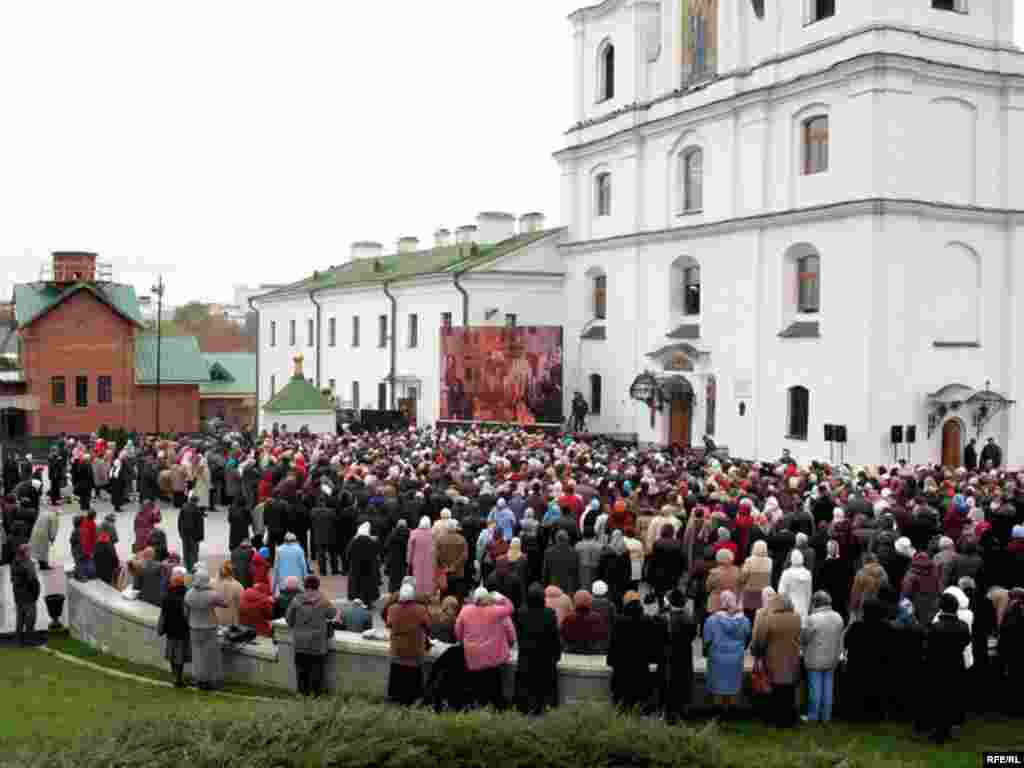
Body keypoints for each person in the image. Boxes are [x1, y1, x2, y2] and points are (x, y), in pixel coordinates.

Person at [920, 593, 972, 743]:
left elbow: (928, 647)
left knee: (938, 698)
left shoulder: (934, 627)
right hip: (956, 665)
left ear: (941, 607)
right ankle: (947, 729)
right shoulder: (963, 626)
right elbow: (966, 642)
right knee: (951, 698)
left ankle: (938, 730)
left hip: (937, 666)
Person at [456, 587, 516, 710]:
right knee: (493, 691)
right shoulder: (495, 611)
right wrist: (500, 596)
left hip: (472, 658)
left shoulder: (465, 610)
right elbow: (511, 607)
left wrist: (464, 641)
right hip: (491, 660)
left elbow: (458, 631)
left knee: (476, 691)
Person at [753, 593, 802, 728]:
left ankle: (774, 718)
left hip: (773, 659)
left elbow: (760, 639)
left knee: (775, 690)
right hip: (792, 659)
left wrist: (757, 652)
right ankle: (788, 719)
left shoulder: (770, 618)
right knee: (789, 690)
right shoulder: (797, 617)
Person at [286, 574, 338, 697]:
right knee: (317, 670)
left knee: (301, 670)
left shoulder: (296, 600)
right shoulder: (323, 601)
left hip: (300, 642)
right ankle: (316, 695)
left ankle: (302, 693)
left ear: (305, 586)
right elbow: (333, 615)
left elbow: (289, 619)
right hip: (317, 643)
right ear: (317, 586)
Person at [515, 582, 562, 714]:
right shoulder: (549, 613)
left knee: (527, 690)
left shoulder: (521, 613)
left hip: (526, 658)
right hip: (545, 659)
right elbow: (555, 637)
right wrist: (556, 655)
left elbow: (519, 636)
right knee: (545, 691)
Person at [843, 597, 892, 720]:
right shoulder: (886, 628)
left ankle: (855, 712)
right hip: (878, 667)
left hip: (858, 666)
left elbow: (846, 643)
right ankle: (875, 713)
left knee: (858, 689)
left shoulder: (856, 627)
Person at [702, 590, 751, 714]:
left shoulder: (711, 620)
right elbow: (747, 638)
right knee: (732, 686)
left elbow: (707, 641)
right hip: (735, 658)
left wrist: (706, 652)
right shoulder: (744, 620)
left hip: (716, 658)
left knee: (717, 686)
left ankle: (718, 713)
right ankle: (731, 712)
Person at [801, 591, 844, 723]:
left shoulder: (812, 619)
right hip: (833, 657)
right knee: (828, 687)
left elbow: (804, 639)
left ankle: (813, 716)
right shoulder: (838, 617)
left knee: (815, 688)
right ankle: (826, 716)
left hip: (815, 658)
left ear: (815, 603)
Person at [386, 582, 432, 706]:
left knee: (397, 678)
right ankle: (411, 701)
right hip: (415, 652)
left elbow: (389, 624)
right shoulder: (421, 610)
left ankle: (396, 700)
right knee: (413, 680)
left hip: (397, 652)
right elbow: (428, 625)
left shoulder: (392, 609)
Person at [183, 569, 227, 691]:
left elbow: (186, 612)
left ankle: (199, 679)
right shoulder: (212, 595)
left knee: (197, 655)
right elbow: (225, 604)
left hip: (194, 627)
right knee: (210, 655)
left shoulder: (189, 594)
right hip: (209, 627)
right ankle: (210, 680)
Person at [662, 588, 697, 723]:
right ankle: (683, 713)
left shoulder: (668, 619)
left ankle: (671, 715)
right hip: (685, 654)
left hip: (672, 656)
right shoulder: (689, 617)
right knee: (684, 683)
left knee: (672, 685)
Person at [157, 568, 191, 687]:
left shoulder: (167, 596)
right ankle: (179, 677)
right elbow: (187, 614)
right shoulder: (186, 595)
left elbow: (163, 615)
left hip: (170, 630)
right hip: (183, 630)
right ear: (182, 582)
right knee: (180, 656)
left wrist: (160, 628)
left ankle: (174, 675)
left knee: (172, 654)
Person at [560, 589, 610, 654]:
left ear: (575, 601)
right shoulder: (597, 618)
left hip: (572, 653)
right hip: (593, 653)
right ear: (590, 601)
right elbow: (603, 636)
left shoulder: (569, 618)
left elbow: (563, 637)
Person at [739, 539, 773, 625]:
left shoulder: (749, 560)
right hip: (763, 593)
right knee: (760, 617)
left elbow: (743, 577)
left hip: (750, 591)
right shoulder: (769, 561)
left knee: (749, 617)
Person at [12, 543, 41, 645]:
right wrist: (36, 594)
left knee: (20, 619)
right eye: (29, 551)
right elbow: (33, 581)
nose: (30, 552)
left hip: (18, 596)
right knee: (31, 618)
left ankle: (18, 640)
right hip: (29, 595)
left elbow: (13, 580)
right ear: (25, 552)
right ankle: (30, 639)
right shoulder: (28, 564)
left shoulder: (14, 563)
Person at [347, 522, 381, 606]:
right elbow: (376, 553)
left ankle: (358, 602)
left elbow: (348, 554)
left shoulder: (354, 541)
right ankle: (368, 602)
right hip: (368, 569)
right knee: (367, 587)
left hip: (356, 568)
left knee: (357, 586)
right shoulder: (371, 541)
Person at [778, 549, 813, 618]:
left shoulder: (786, 573)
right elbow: (809, 593)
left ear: (791, 559)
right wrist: (808, 608)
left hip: (790, 609)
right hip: (803, 607)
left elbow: (781, 593)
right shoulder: (808, 574)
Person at [543, 529, 579, 596]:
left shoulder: (548, 552)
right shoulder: (573, 552)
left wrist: (545, 586)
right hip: (569, 587)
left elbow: (545, 572)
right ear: (567, 539)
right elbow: (576, 572)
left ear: (556, 539)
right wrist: (576, 588)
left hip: (554, 585)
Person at [272, 532, 309, 596]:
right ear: (295, 540)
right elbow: (304, 567)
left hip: (283, 584)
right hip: (297, 583)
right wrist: (306, 583)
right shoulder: (299, 549)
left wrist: (273, 588)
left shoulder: (279, 550)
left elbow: (276, 568)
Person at [178, 491, 206, 573]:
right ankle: (193, 569)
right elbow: (200, 526)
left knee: (186, 552)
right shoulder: (197, 510)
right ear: (196, 501)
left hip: (185, 535)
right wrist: (201, 537)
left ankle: (187, 568)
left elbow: (179, 522)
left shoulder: (184, 508)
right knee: (194, 553)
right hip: (194, 536)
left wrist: (181, 533)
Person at [213, 561, 243, 626]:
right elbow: (241, 604)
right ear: (233, 573)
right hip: (232, 622)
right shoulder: (237, 586)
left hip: (216, 620)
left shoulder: (211, 584)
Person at [29, 504, 59, 571]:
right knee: (44, 550)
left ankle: (42, 564)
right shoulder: (54, 516)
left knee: (39, 549)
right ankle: (44, 565)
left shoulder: (44, 513)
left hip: (36, 531)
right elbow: (54, 529)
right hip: (43, 534)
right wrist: (52, 538)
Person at [384, 519, 410, 594]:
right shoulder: (409, 534)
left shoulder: (392, 534)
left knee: (393, 581)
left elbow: (386, 547)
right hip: (404, 560)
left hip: (393, 560)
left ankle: (393, 596)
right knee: (404, 579)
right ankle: (404, 594)